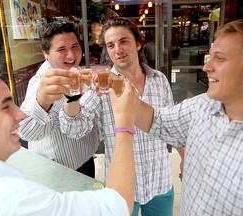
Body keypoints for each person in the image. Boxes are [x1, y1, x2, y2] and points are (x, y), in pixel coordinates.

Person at [0, 61, 140, 215]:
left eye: (74, 46)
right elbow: (116, 206)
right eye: (5, 107)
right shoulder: (11, 201)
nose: (20, 114)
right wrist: (125, 121)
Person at [60, 17, 185, 216]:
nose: (117, 49)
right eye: (111, 45)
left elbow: (171, 125)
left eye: (123, 41)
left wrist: (184, 156)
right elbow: (74, 129)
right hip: (123, 189)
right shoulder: (100, 84)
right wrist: (71, 98)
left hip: (159, 181)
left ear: (137, 42)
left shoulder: (159, 80)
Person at [130, 19, 243, 215]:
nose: (206, 67)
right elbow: (157, 120)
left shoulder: (159, 79)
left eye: (220, 58)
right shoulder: (202, 105)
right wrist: (119, 91)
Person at [19, 21, 100, 178]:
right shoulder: (41, 82)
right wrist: (42, 101)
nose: (71, 55)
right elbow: (25, 132)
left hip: (85, 160)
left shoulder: (76, 74)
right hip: (59, 170)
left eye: (75, 46)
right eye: (62, 49)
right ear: (46, 53)